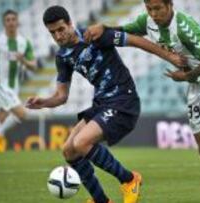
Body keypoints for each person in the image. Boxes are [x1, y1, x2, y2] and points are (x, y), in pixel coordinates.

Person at [85, 0, 200, 202]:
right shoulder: (147, 21)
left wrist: (186, 76)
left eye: (158, 8)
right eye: (149, 9)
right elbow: (123, 31)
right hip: (196, 86)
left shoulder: (183, 26)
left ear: (170, 5)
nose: (154, 14)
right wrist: (104, 27)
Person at [27, 5, 186, 203]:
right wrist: (44, 102)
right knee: (69, 150)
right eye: (52, 33)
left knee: (82, 142)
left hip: (123, 99)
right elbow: (61, 96)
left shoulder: (95, 34)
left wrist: (170, 56)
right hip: (102, 102)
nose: (58, 36)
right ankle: (101, 200)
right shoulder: (63, 56)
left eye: (61, 29)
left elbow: (135, 41)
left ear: (70, 23)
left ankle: (129, 179)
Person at [0, 9, 37, 167]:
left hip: (14, 87)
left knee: (3, 119)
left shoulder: (24, 43)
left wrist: (23, 60)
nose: (11, 22)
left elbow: (33, 66)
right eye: (8, 20)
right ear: (4, 23)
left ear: (17, 22)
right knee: (22, 114)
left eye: (13, 19)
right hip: (0, 85)